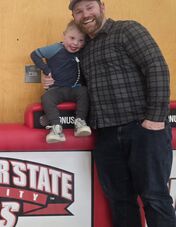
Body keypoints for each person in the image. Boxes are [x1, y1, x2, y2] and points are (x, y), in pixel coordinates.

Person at [69, 0, 176, 226]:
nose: (85, 14)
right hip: (106, 135)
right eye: (78, 11)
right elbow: (83, 88)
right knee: (120, 201)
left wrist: (155, 119)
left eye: (89, 7)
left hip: (143, 128)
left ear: (102, 7)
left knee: (155, 197)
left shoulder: (127, 29)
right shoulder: (83, 49)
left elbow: (156, 67)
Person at [30, 20, 91, 143]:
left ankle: (79, 122)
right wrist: (46, 69)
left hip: (75, 89)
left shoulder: (83, 52)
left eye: (81, 40)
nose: (75, 43)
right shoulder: (55, 48)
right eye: (72, 38)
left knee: (85, 92)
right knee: (46, 98)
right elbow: (34, 54)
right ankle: (56, 128)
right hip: (56, 89)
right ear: (64, 35)